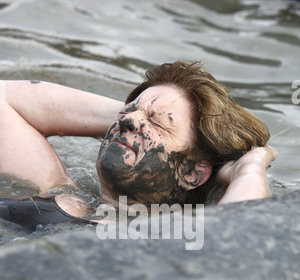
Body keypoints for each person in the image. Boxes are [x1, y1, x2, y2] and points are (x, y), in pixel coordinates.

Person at [0, 61, 277, 231]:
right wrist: (134, 116)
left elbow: (238, 236)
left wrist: (250, 168)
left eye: (158, 123)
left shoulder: (169, 239)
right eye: (127, 112)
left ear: (190, 173)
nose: (129, 120)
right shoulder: (57, 192)